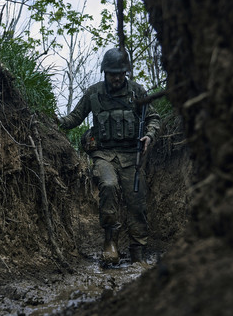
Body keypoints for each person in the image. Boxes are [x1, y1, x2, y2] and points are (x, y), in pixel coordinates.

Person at [57, 48, 160, 265]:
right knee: (109, 185)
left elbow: (153, 117)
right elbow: (75, 118)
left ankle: (137, 253)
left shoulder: (137, 92)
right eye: (113, 73)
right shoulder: (94, 93)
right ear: (104, 72)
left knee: (137, 200)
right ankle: (109, 242)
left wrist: (149, 136)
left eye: (121, 73)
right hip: (104, 154)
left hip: (132, 156)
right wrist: (54, 121)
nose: (117, 77)